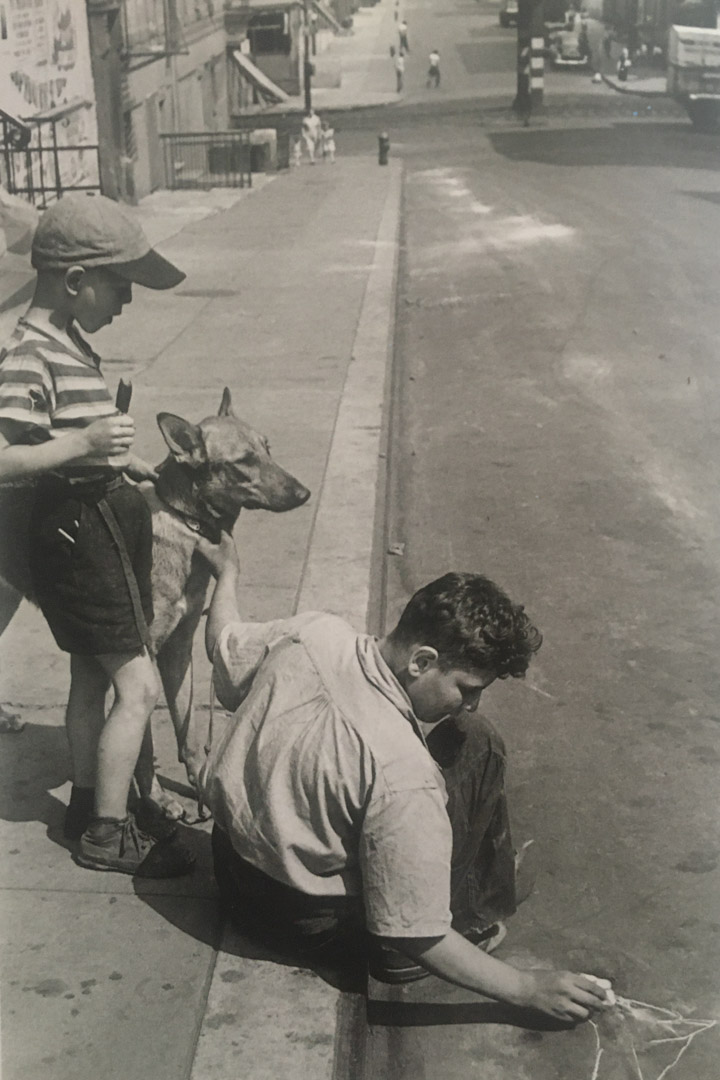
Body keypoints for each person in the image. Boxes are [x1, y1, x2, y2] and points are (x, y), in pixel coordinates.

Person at [197, 534, 611, 1022]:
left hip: (230, 868)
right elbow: (416, 932)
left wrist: (228, 574)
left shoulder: (313, 632)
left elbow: (223, 645)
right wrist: (526, 989)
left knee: (453, 739)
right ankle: (470, 913)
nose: (472, 701)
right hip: (307, 922)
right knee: (476, 741)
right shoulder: (401, 771)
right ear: (422, 662)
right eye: (468, 687)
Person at [0, 193, 195, 877]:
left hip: (97, 523)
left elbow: (65, 440)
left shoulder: (66, 343)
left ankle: (88, 800)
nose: (129, 301)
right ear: (76, 281)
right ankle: (108, 833)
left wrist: (114, 456)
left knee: (91, 674)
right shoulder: (27, 353)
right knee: (137, 686)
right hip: (82, 536)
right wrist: (83, 441)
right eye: (121, 284)